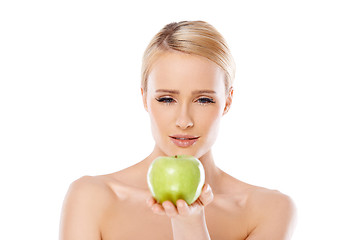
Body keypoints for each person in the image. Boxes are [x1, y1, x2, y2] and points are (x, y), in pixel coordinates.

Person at [59, 20, 296, 240]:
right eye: (166, 99)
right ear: (144, 98)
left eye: (203, 100)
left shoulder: (269, 210)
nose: (184, 121)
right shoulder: (92, 198)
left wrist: (190, 223)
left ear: (228, 101)